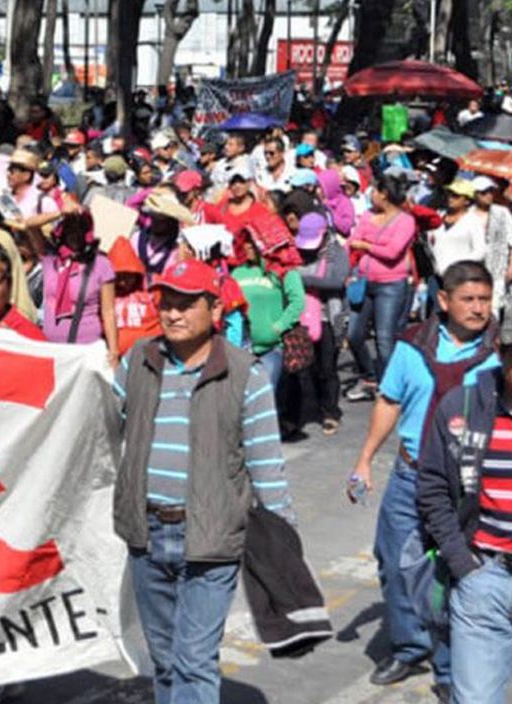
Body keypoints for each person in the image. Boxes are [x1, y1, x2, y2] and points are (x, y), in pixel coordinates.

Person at [113, 258, 295, 704]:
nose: (172, 313)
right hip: (147, 534)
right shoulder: (138, 359)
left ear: (215, 310)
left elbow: (267, 463)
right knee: (165, 657)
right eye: (166, 302)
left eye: (185, 304)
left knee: (194, 658)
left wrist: (283, 545)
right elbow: (100, 420)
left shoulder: (244, 372)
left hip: (212, 537)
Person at [349, 261, 499, 699]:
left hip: (469, 484)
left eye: (484, 299)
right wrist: (364, 460)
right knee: (395, 562)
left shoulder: (499, 352)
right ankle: (409, 645)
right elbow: (389, 402)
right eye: (468, 299)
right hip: (410, 474)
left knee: (459, 573)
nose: (477, 308)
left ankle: (454, 671)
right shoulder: (412, 346)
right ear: (443, 300)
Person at [417, 315, 512, 704]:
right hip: (484, 578)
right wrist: (463, 564)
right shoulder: (464, 406)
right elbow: (434, 487)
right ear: (501, 353)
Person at [346, 175, 418, 401]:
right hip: (364, 281)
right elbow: (352, 240)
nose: (371, 194)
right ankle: (368, 376)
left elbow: (393, 252)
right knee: (354, 335)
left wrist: (367, 245)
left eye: (375, 191)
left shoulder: (406, 221)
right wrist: (371, 245)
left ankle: (389, 387)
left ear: (385, 194)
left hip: (391, 284)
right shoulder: (368, 215)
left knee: (384, 338)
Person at [284, 213, 349, 436]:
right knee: (300, 368)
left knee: (327, 368)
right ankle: (296, 414)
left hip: (328, 316)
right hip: (301, 317)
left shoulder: (336, 252)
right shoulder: (296, 252)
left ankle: (330, 411)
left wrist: (301, 278)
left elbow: (336, 280)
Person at [22, 212, 117, 357]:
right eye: (70, 229)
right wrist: (61, 212)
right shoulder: (50, 260)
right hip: (50, 348)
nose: (75, 235)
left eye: (80, 230)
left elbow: (108, 312)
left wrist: (114, 351)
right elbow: (30, 224)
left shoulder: (101, 264)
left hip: (86, 349)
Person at [231, 219, 304, 387]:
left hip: (271, 349)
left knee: (266, 396)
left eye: (253, 241)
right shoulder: (238, 272)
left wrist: (278, 327)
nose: (248, 246)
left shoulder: (282, 270)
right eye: (246, 241)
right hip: (242, 350)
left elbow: (298, 302)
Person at [428, 180, 487, 314]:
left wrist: (456, 264)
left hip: (459, 278)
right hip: (436, 277)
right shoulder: (439, 216)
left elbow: (480, 251)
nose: (450, 198)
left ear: (467, 200)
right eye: (449, 194)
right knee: (433, 316)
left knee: (455, 314)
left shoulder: (472, 221)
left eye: (456, 195)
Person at [109, 237, 161, 356]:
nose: (122, 282)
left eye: (127, 276)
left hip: (152, 354)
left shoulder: (152, 287)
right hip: (118, 358)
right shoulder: (105, 292)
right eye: (118, 277)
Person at [476, 176, 512, 315]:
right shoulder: (468, 214)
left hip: (498, 270)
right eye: (484, 192)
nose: (488, 195)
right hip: (473, 270)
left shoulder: (502, 213)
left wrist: (511, 267)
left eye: (490, 191)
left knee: (495, 310)